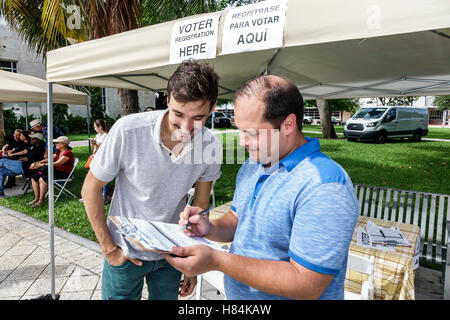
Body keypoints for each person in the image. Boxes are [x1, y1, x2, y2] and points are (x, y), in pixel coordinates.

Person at [164, 75, 359, 300]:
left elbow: (306, 284)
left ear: (288, 125)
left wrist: (217, 260)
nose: (242, 142)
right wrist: (209, 228)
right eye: (240, 130)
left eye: (252, 133)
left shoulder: (324, 185)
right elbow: (238, 221)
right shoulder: (253, 165)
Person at [81, 60, 222, 300]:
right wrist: (109, 249)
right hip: (124, 251)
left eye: (197, 117)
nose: (186, 128)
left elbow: (200, 207)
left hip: (172, 254)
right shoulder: (128, 130)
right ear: (167, 99)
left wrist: (192, 260)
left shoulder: (211, 144)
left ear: (212, 108)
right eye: (178, 114)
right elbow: (90, 189)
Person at [28, 136, 74, 208]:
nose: (55, 144)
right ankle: (36, 198)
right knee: (34, 178)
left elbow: (58, 163)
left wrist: (42, 165)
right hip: (56, 171)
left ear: (63, 144)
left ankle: (41, 201)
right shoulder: (59, 151)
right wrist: (37, 162)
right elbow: (49, 159)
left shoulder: (68, 153)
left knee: (42, 179)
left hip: (63, 173)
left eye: (57, 143)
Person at [0, 133, 45, 197]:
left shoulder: (39, 149)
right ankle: (0, 192)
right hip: (22, 166)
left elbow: (26, 159)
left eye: (32, 139)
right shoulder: (33, 147)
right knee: (1, 170)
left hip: (25, 167)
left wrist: (14, 162)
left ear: (37, 140)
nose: (31, 139)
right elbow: (25, 154)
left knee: (3, 161)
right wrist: (14, 161)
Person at [91, 119, 111, 204]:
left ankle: (104, 195)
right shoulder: (97, 135)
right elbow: (94, 149)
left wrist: (96, 144)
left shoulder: (106, 136)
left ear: (100, 127)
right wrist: (93, 144)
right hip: (96, 157)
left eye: (95, 127)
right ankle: (98, 194)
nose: (94, 128)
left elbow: (103, 149)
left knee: (103, 176)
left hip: (103, 158)